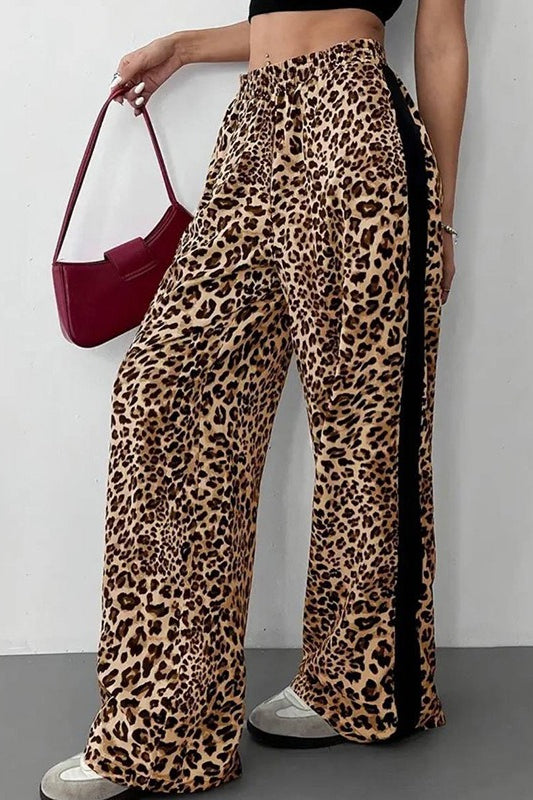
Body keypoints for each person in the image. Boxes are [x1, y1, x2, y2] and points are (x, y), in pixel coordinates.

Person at [40, 1, 468, 798]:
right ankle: (162, 727)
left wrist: (440, 222)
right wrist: (186, 46)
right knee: (163, 395)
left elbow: (440, 38)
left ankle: (358, 681)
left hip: (357, 130)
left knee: (364, 429)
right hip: (254, 126)